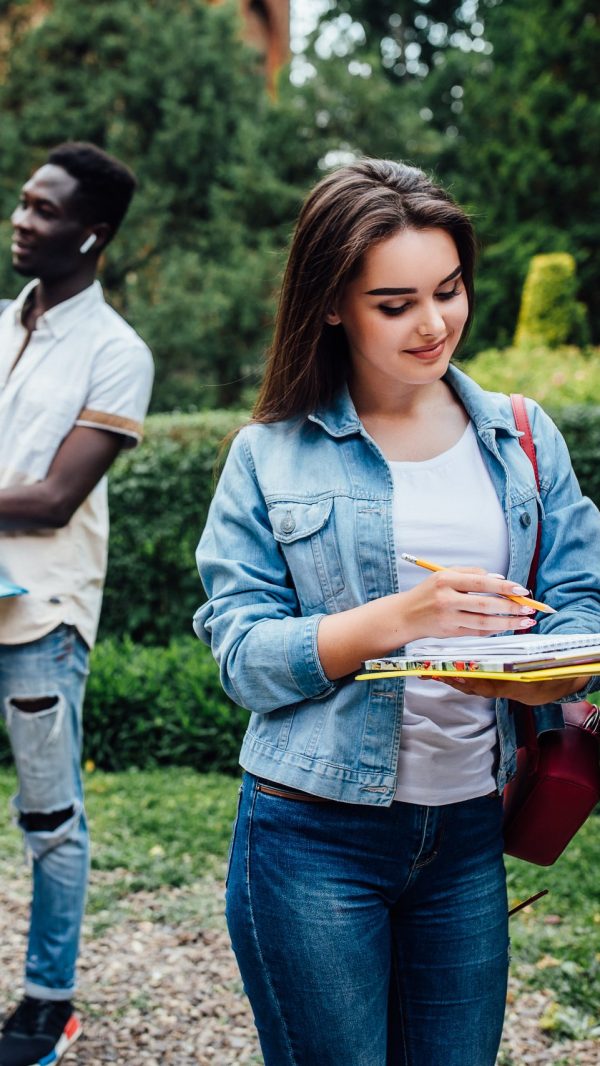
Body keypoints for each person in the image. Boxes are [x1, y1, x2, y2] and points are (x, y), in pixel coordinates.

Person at [194, 158, 600, 1066]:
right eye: (395, 303)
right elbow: (241, 657)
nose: (434, 324)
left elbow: (580, 601)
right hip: (309, 835)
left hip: (466, 831)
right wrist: (402, 618)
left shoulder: (523, 437)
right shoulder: (268, 456)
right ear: (332, 304)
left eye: (449, 291)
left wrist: (560, 664)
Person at [0, 142, 153, 1066]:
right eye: (21, 202)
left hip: (41, 618)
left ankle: (48, 1002)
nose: (21, 219)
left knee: (50, 819)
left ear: (91, 235)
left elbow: (56, 498)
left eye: (43, 209)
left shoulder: (116, 352)